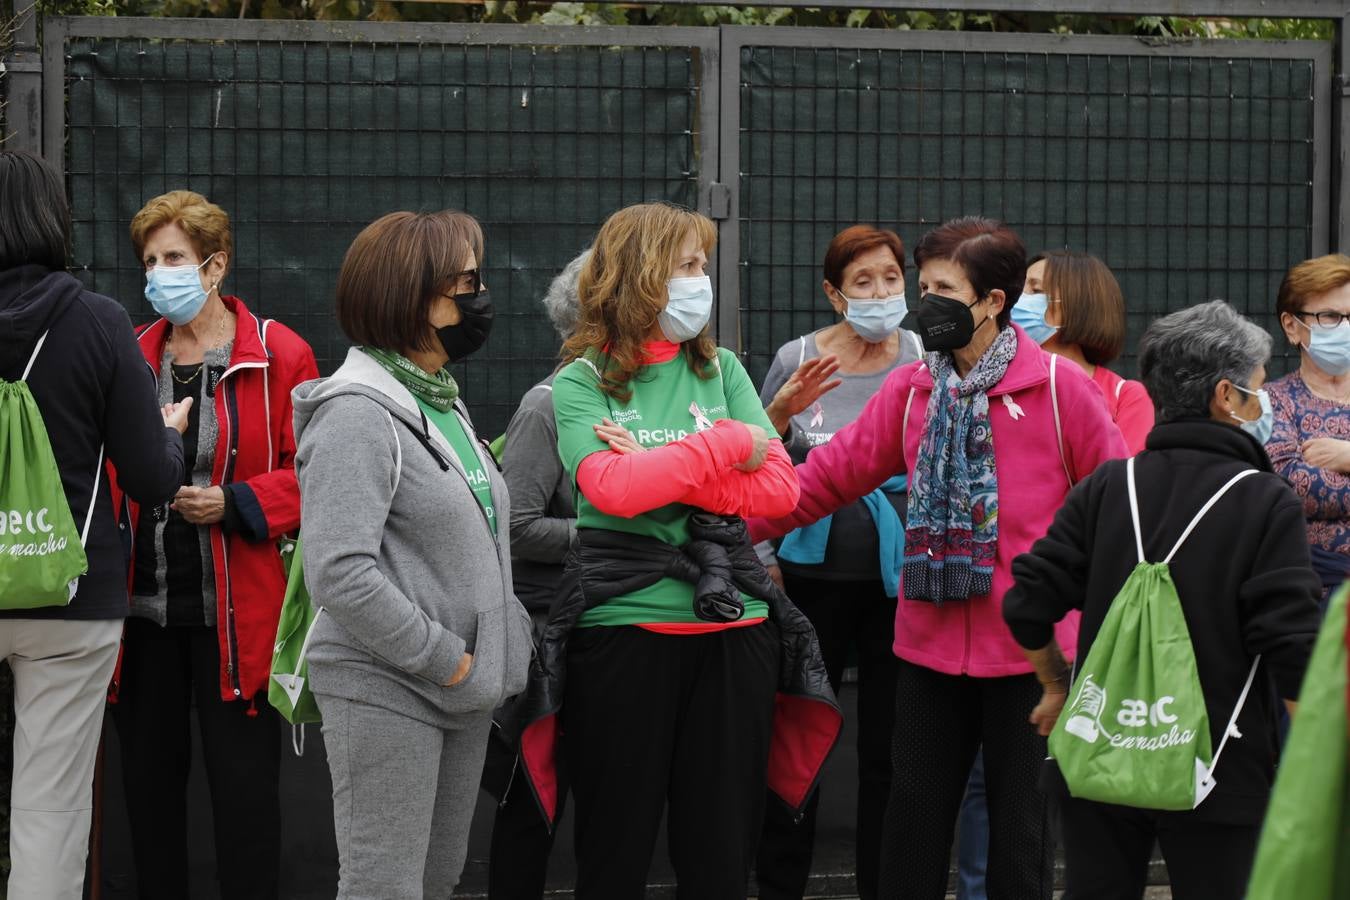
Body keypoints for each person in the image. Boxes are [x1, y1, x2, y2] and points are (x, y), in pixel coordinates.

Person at [748, 216, 1128, 900]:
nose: (924, 304)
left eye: (942, 289)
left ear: (991, 302)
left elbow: (1118, 514)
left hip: (1031, 662)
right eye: (922, 286)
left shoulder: (1062, 392)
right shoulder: (912, 392)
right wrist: (719, 519)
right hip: (925, 653)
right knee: (910, 833)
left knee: (1021, 839)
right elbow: (824, 481)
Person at [503, 201, 841, 900]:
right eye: (687, 266)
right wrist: (727, 445)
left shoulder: (723, 372)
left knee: (720, 854)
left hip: (736, 631)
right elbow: (612, 490)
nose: (701, 281)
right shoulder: (580, 381)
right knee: (614, 850)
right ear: (640, 278)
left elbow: (779, 490)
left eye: (703, 266)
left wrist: (671, 472)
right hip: (622, 634)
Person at [1002, 299, 1322, 900]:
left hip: (1102, 755)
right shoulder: (1263, 500)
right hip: (1220, 765)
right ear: (1226, 396)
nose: (1264, 405)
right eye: (1256, 389)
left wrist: (1053, 686)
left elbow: (1027, 602)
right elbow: (1290, 641)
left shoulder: (1107, 486)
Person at [293, 210, 533, 900]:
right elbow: (338, 571)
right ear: (412, 297)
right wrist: (446, 657)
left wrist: (486, 654)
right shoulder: (357, 416)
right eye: (466, 282)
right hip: (390, 683)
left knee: (434, 879)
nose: (479, 297)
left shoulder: (441, 403)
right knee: (385, 886)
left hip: (459, 687)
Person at [110, 189, 317, 900]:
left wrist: (236, 503)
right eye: (149, 261)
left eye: (173, 258)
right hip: (141, 619)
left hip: (239, 624)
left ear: (215, 264)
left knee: (246, 804)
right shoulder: (131, 354)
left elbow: (316, 474)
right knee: (149, 804)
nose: (158, 273)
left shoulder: (281, 354)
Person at [0, 151, 187, 900]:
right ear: (54, 220)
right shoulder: (100, 321)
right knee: (49, 806)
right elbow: (151, 476)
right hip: (68, 603)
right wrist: (169, 430)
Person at [754, 224, 921, 900]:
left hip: (899, 589)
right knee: (798, 740)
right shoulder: (798, 358)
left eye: (891, 278)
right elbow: (761, 456)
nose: (881, 293)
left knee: (890, 752)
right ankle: (781, 886)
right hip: (806, 587)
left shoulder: (922, 354)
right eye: (863, 282)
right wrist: (764, 554)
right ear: (833, 294)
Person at [485, 249, 587, 899]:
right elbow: (516, 527)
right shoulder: (546, 406)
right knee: (532, 804)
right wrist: (614, 537)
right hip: (553, 641)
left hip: (626, 630)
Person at [1266, 254, 1350, 601]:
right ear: (1291, 325)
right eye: (1331, 316)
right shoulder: (1270, 402)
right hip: (1310, 599)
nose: (1345, 327)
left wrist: (1344, 456)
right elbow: (1290, 487)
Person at [1019, 250, 1153, 453]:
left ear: (1077, 304)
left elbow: (1125, 476)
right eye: (1019, 290)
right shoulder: (1007, 387)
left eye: (1035, 291)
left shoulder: (1126, 397)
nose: (1018, 300)